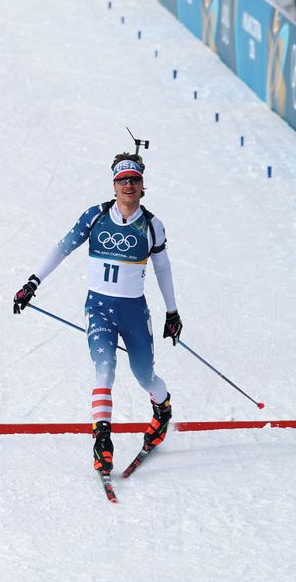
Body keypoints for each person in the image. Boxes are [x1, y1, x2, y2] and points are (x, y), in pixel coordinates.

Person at [12, 152, 182, 477]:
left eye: (134, 180)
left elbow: (163, 269)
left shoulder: (152, 225)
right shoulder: (95, 216)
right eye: (122, 180)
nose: (128, 185)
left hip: (134, 313)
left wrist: (172, 313)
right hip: (99, 310)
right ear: (114, 185)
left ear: (142, 186)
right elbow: (62, 247)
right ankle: (102, 440)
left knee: (144, 376)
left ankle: (162, 408)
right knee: (104, 370)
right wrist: (33, 282)